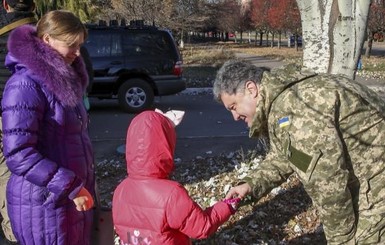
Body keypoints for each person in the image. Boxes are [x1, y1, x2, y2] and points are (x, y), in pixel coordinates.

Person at [213, 60, 385, 244]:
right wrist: (250, 185)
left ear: (251, 89)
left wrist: (342, 240)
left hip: (377, 186)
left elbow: (328, 184)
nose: (235, 116)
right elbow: (287, 155)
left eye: (233, 107)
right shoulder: (287, 98)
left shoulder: (296, 109)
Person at [1, 10, 94, 245]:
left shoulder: (65, 81)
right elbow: (19, 154)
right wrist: (71, 185)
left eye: (80, 45)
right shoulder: (25, 85)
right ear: (46, 40)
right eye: (71, 44)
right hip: (41, 205)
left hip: (66, 201)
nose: (77, 53)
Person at [112, 110, 239, 245]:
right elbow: (202, 227)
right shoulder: (171, 194)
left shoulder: (120, 190)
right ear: (165, 144)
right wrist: (226, 207)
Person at [0, 0, 37, 243]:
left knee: (6, 175)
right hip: (35, 118)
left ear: (5, 5)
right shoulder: (46, 36)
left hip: (4, 120)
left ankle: (13, 233)